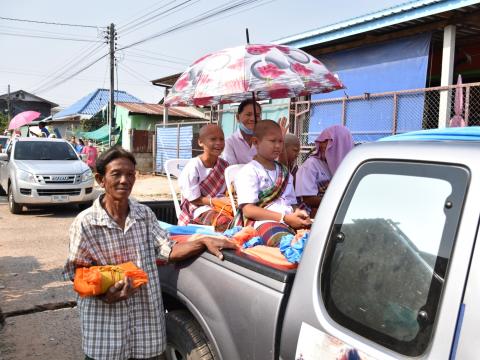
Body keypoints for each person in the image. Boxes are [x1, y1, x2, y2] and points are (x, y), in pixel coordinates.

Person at [63, 146, 236, 360]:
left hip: (145, 328)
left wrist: (202, 241)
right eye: (116, 174)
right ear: (100, 179)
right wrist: (104, 294)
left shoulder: (144, 214)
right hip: (105, 329)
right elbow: (77, 272)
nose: (124, 180)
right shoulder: (86, 223)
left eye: (130, 174)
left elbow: (169, 250)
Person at [234, 120, 311, 247]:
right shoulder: (249, 171)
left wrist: (299, 214)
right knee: (288, 244)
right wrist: (285, 218)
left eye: (280, 141)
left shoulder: (284, 172)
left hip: (289, 220)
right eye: (272, 141)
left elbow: (292, 204)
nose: (277, 146)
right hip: (261, 223)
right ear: (256, 142)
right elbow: (248, 210)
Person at [178, 124, 232, 231]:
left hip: (224, 206)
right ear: (200, 142)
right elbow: (194, 199)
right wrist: (215, 201)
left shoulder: (225, 165)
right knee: (224, 222)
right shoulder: (194, 166)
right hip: (199, 209)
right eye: (213, 139)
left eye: (221, 139)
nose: (218, 143)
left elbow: (229, 191)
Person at [295, 125, 354, 217]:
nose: (322, 145)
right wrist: (339, 203)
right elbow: (308, 199)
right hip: (313, 216)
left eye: (327, 141)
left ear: (341, 144)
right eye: (321, 141)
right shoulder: (311, 165)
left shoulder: (349, 167)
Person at [222, 99, 261, 165]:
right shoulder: (230, 143)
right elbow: (232, 170)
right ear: (237, 117)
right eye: (248, 114)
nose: (253, 119)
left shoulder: (264, 140)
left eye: (257, 116)